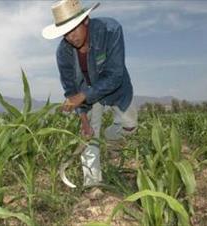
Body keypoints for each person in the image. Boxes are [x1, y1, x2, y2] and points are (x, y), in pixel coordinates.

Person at [42, 0, 138, 187]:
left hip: (117, 90)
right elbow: (71, 90)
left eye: (74, 29)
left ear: (85, 19)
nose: (70, 37)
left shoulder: (110, 30)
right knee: (89, 137)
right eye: (65, 33)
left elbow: (115, 75)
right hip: (86, 97)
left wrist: (83, 96)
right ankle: (92, 184)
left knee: (130, 127)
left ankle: (111, 138)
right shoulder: (63, 53)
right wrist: (84, 120)